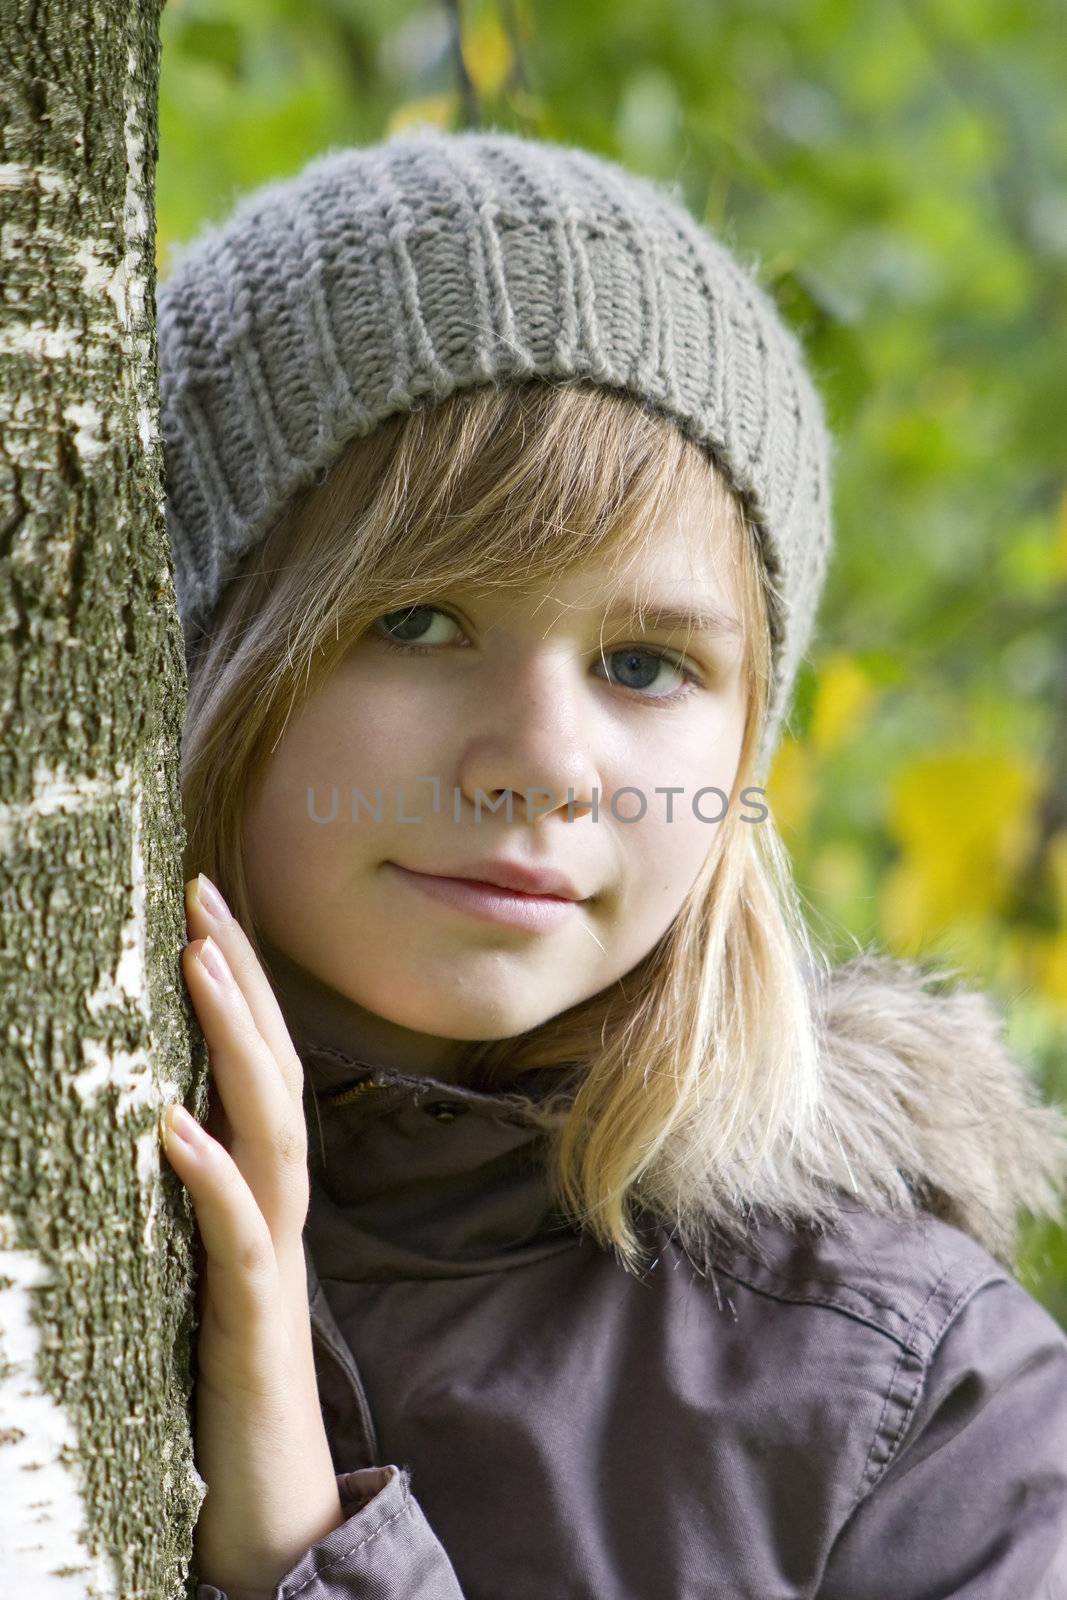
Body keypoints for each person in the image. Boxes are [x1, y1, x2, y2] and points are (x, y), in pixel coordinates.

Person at [154, 127, 1067, 1599]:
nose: (547, 762)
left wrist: (307, 1559)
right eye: (420, 622)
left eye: (646, 662)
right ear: (194, 654)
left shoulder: (920, 1406)